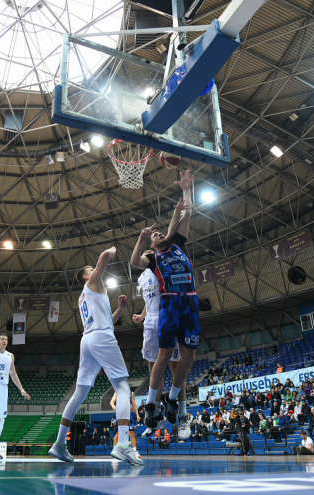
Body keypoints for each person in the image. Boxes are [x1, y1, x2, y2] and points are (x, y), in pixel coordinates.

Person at [48, 246, 141, 466]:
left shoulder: (84, 297)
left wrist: (119, 309)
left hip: (88, 340)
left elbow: (106, 320)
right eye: (91, 269)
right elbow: (103, 258)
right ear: (86, 276)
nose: (96, 270)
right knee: (122, 387)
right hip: (100, 337)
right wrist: (111, 250)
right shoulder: (92, 283)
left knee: (79, 393)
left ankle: (59, 444)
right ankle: (123, 445)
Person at [130, 170, 197, 432]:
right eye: (154, 237)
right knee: (164, 355)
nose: (157, 235)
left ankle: (172, 399)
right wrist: (142, 238)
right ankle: (151, 406)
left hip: (189, 302)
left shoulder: (178, 246)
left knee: (189, 358)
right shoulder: (154, 259)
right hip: (170, 305)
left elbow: (187, 216)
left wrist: (186, 191)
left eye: (159, 234)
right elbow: (135, 261)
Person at [132, 261, 189, 438]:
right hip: (150, 323)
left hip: (168, 318)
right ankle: (155, 415)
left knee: (175, 367)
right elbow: (150, 298)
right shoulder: (142, 277)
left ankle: (182, 414)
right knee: (153, 368)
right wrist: (143, 315)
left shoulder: (165, 266)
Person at [109, 390, 141, 454]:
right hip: (120, 415)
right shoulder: (117, 392)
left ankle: (134, 451)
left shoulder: (131, 393)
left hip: (129, 415)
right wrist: (113, 406)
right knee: (118, 433)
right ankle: (114, 450)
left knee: (131, 432)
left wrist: (137, 414)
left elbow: (134, 405)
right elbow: (112, 401)